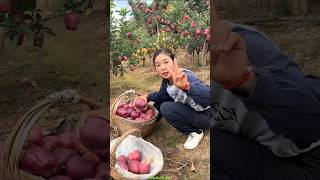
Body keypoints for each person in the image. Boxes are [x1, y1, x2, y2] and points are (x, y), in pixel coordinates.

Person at [211, 2, 320, 180]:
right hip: (256, 149)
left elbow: (314, 123)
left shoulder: (246, 49)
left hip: (304, 159)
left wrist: (247, 81)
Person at [137, 47, 213, 150]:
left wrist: (187, 87)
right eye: (158, 65)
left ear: (174, 61)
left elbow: (209, 97)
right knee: (164, 103)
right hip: (194, 111)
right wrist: (147, 97)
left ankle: (195, 132)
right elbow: (161, 96)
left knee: (166, 108)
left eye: (166, 62)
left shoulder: (186, 77)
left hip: (208, 114)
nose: (163, 67)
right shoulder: (167, 82)